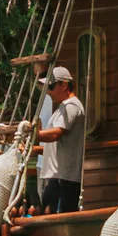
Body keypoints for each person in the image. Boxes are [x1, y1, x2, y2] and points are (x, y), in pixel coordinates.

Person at [35, 64, 89, 212]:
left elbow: (55, 134)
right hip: (58, 177)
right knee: (46, 212)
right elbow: (53, 148)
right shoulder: (62, 108)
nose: (48, 92)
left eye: (51, 87)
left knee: (55, 217)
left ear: (63, 85)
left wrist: (33, 134)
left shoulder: (71, 107)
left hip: (65, 178)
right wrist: (32, 149)